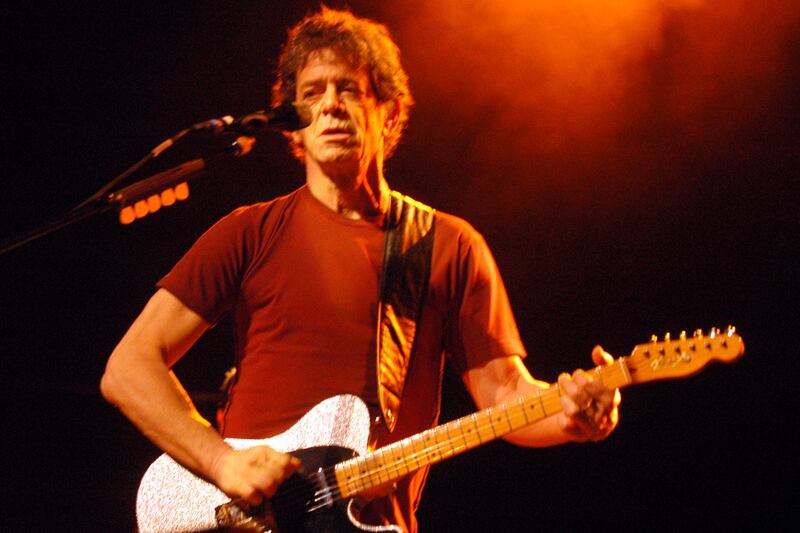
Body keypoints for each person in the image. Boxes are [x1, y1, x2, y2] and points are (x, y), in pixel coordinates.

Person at [100, 7, 621, 532]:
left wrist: (571, 416)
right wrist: (221, 462)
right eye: (312, 93)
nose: (330, 104)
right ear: (292, 125)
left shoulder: (449, 245)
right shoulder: (247, 233)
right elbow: (128, 367)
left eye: (348, 89)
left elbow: (506, 392)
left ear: (388, 114)